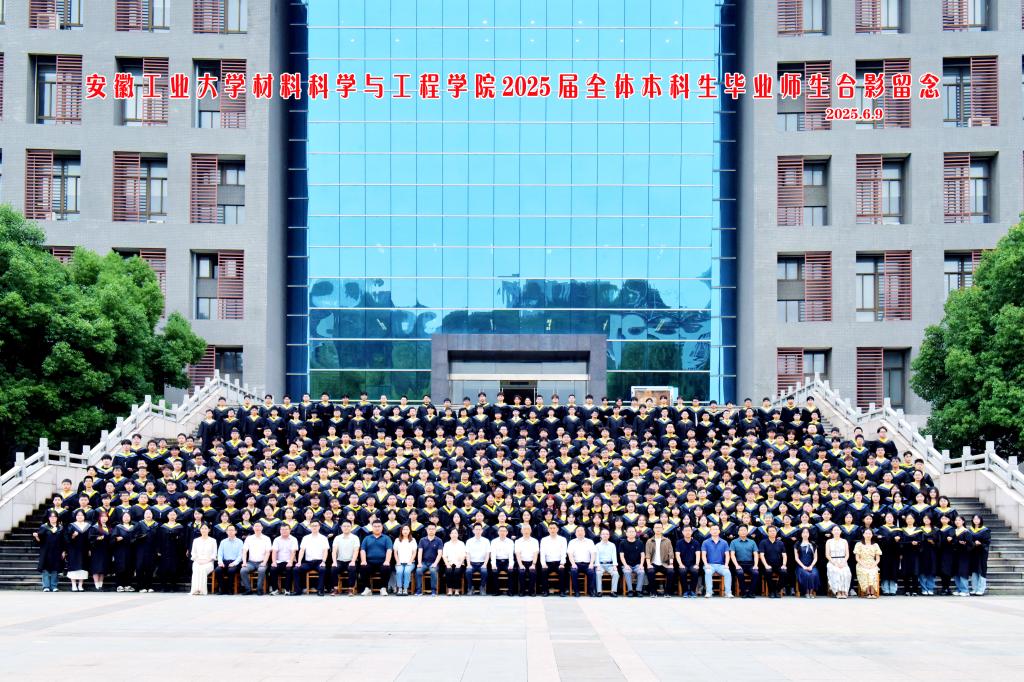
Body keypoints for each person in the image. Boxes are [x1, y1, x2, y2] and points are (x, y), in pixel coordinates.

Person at [293, 519, 329, 596]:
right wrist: (299, 562)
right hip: (308, 562)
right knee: (296, 569)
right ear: (310, 526)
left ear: (319, 527)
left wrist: (323, 561)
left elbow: (325, 551)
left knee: (322, 569)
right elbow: (302, 550)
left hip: (319, 562)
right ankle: (298, 590)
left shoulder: (323, 538)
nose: (314, 527)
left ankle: (320, 590)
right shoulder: (306, 538)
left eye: (316, 525)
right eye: (312, 526)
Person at [359, 520, 394, 595]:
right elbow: (363, 550)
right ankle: (367, 588)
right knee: (363, 567)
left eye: (379, 526)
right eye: (375, 526)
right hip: (369, 562)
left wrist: (387, 561)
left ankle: (383, 588)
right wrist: (363, 560)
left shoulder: (386, 538)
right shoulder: (367, 538)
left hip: (382, 562)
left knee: (386, 567)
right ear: (372, 527)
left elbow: (389, 550)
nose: (377, 528)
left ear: (382, 528)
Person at [34, 512, 64, 592]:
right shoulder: (44, 527)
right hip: (46, 551)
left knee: (55, 568)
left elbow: (63, 541)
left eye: (54, 517)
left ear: (57, 518)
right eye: (51, 517)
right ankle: (46, 586)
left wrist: (64, 551)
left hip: (57, 551)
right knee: (45, 568)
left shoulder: (61, 528)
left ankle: (54, 586)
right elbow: (39, 541)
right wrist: (36, 537)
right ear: (48, 518)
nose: (53, 518)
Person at [240, 522, 272, 595]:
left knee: (261, 570)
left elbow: (268, 552)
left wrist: (264, 562)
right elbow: (244, 551)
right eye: (256, 526)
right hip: (251, 562)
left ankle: (259, 589)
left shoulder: (266, 538)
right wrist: (244, 562)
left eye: (259, 526)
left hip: (262, 562)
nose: (257, 528)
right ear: (253, 528)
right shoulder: (249, 538)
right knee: (243, 570)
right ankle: (248, 589)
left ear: (262, 528)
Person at [700, 524, 732, 598]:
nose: (715, 531)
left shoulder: (724, 542)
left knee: (727, 572)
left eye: (716, 529)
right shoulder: (705, 542)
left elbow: (727, 555)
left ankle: (728, 592)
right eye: (713, 529)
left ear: (719, 531)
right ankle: (709, 592)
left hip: (721, 565)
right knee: (708, 572)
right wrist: (706, 564)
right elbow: (703, 555)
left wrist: (726, 564)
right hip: (709, 565)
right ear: (710, 531)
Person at [728, 525, 760, 599]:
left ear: (747, 532)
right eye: (741, 530)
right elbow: (732, 555)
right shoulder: (733, 542)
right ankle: (743, 592)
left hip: (750, 564)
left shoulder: (752, 542)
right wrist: (736, 565)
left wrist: (756, 565)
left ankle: (751, 592)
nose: (743, 532)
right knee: (740, 573)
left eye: (744, 530)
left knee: (756, 573)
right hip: (739, 563)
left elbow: (756, 554)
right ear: (738, 532)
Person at [645, 522, 675, 597]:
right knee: (650, 571)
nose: (658, 529)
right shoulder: (649, 541)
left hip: (664, 564)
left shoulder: (667, 541)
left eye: (659, 527)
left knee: (671, 571)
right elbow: (647, 554)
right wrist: (648, 564)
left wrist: (671, 564)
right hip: (653, 563)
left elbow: (671, 553)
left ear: (662, 529)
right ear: (653, 529)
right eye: (656, 527)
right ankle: (653, 592)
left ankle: (667, 592)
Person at [331, 521, 361, 595]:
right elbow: (334, 551)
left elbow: (356, 550)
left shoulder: (355, 538)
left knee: (352, 568)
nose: (346, 528)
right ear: (341, 527)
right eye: (344, 526)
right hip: (340, 560)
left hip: (351, 560)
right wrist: (334, 562)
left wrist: (353, 561)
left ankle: (350, 589)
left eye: (348, 526)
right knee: (334, 568)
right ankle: (335, 588)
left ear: (351, 527)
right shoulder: (337, 538)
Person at [65, 510, 92, 592]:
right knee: (73, 567)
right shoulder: (71, 525)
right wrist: (73, 536)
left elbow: (90, 539)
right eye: (78, 515)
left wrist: (90, 549)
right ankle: (73, 585)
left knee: (83, 567)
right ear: (75, 516)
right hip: (73, 549)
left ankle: (80, 585)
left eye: (81, 515)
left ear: (84, 516)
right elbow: (67, 538)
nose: (80, 517)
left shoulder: (88, 526)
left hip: (84, 549)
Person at [758, 525, 788, 598]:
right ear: (767, 533)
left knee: (784, 572)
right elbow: (761, 555)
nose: (772, 532)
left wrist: (784, 564)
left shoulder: (780, 543)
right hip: (767, 565)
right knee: (768, 572)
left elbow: (784, 555)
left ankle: (777, 590)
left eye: (773, 531)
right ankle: (771, 591)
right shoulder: (763, 542)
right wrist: (766, 565)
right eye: (770, 531)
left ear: (776, 532)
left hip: (778, 565)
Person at [540, 523, 569, 596]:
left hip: (559, 562)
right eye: (550, 528)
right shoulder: (544, 540)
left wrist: (562, 563)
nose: (552, 530)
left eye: (554, 528)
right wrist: (543, 564)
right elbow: (542, 553)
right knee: (543, 570)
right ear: (548, 530)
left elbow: (563, 553)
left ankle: (562, 591)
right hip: (548, 563)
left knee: (562, 570)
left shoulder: (562, 539)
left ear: (557, 529)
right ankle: (545, 591)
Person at [416, 523, 445, 595]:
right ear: (427, 530)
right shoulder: (422, 540)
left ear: (435, 530)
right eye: (429, 529)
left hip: (434, 562)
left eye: (433, 529)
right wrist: (419, 563)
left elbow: (440, 554)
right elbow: (420, 552)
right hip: (424, 562)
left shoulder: (439, 540)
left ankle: (433, 590)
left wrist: (435, 563)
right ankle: (419, 590)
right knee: (418, 570)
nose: (431, 530)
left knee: (433, 570)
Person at [567, 526, 596, 597]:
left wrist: (591, 563)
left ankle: (591, 591)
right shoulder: (572, 542)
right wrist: (573, 564)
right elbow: (570, 554)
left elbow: (593, 553)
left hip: (587, 564)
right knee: (573, 571)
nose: (580, 532)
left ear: (584, 532)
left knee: (592, 572)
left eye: (581, 531)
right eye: (578, 531)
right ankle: (576, 591)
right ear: (575, 533)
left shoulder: (590, 541)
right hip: (576, 564)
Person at [269, 524, 298, 594]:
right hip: (279, 561)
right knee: (272, 569)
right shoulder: (276, 539)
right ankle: (275, 589)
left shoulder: (293, 539)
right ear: (280, 531)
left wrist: (290, 562)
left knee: (289, 569)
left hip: (290, 560)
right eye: (282, 529)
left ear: (290, 530)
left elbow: (293, 552)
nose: (284, 531)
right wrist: (274, 562)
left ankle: (287, 589)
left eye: (286, 529)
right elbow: (274, 552)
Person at [618, 526, 646, 597]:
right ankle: (630, 590)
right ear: (626, 533)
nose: (631, 533)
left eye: (633, 531)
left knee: (641, 571)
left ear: (635, 533)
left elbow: (642, 555)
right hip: (627, 564)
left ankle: (638, 590)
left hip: (637, 564)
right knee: (627, 571)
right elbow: (621, 556)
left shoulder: (640, 542)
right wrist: (625, 565)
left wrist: (641, 565)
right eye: (629, 532)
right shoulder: (622, 543)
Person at [216, 524, 245, 594]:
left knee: (231, 571)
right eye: (229, 530)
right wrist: (220, 562)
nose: (230, 531)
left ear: (235, 531)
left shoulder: (240, 542)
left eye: (232, 530)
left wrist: (234, 563)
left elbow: (240, 556)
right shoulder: (223, 542)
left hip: (236, 562)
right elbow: (219, 554)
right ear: (226, 532)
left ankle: (230, 589)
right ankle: (222, 589)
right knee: (218, 570)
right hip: (225, 561)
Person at [853, 528, 882, 599]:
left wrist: (873, 565)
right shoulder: (859, 544)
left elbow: (878, 559)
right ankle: (868, 591)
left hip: (872, 564)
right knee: (866, 572)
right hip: (861, 563)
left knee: (872, 572)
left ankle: (872, 591)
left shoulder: (875, 545)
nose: (868, 535)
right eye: (866, 533)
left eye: (869, 533)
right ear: (863, 534)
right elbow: (857, 558)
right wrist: (864, 565)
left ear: (872, 535)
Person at [825, 525, 852, 599]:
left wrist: (843, 562)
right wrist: (834, 563)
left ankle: (844, 591)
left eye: (838, 530)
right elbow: (827, 555)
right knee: (836, 571)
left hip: (843, 561)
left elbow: (847, 554)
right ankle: (838, 591)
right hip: (832, 562)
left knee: (846, 572)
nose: (836, 531)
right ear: (832, 532)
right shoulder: (829, 541)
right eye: (835, 530)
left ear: (840, 531)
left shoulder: (844, 541)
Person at [189, 524, 217, 595]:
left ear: (209, 530)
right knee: (196, 568)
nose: (204, 530)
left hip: (209, 562)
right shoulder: (196, 540)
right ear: (200, 530)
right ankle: (195, 590)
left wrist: (206, 561)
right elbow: (193, 553)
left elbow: (214, 554)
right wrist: (198, 560)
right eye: (202, 528)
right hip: (197, 561)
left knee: (203, 569)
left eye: (205, 528)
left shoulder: (213, 541)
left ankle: (202, 590)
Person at [111, 512, 136, 592]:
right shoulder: (118, 527)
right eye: (124, 516)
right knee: (120, 567)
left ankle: (128, 585)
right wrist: (116, 539)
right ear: (121, 518)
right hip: (120, 550)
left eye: (128, 516)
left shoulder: (133, 527)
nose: (126, 518)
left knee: (130, 567)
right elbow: (112, 539)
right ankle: (119, 585)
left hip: (131, 550)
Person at [88, 512, 112, 591]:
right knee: (96, 567)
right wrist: (97, 538)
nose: (104, 518)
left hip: (106, 550)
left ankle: (100, 585)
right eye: (102, 516)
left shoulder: (108, 527)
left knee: (103, 568)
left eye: (106, 516)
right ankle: (96, 585)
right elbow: (90, 538)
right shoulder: (94, 527)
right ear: (99, 518)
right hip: (97, 550)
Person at [489, 525, 516, 595]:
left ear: (507, 532)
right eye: (501, 531)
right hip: (497, 561)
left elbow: (511, 555)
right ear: (498, 532)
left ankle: (510, 591)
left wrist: (511, 564)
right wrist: (493, 564)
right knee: (494, 571)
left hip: (507, 561)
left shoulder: (510, 542)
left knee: (511, 571)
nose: (502, 532)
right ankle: (496, 591)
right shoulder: (494, 541)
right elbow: (493, 555)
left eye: (504, 531)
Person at [514, 523, 540, 596]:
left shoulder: (535, 541)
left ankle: (531, 591)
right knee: (521, 572)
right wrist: (520, 565)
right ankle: (522, 591)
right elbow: (517, 554)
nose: (526, 531)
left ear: (531, 531)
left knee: (533, 572)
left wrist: (533, 564)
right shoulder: (518, 541)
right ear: (521, 531)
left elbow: (535, 553)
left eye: (528, 529)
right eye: (524, 529)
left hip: (532, 562)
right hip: (521, 562)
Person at [465, 524, 491, 595]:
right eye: (476, 529)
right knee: (468, 571)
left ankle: (482, 587)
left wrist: (485, 564)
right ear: (473, 531)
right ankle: (470, 587)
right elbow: (467, 554)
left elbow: (487, 554)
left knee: (484, 571)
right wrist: (468, 564)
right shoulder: (469, 541)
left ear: (482, 531)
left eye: (479, 529)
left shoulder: (486, 541)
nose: (478, 531)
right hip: (472, 563)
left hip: (482, 563)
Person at [593, 529, 619, 597]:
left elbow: (614, 556)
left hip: (610, 565)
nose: (605, 535)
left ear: (609, 536)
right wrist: (597, 565)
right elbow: (596, 556)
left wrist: (615, 565)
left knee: (616, 573)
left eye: (607, 534)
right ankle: (599, 591)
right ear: (600, 535)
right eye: (603, 534)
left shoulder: (612, 545)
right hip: (600, 565)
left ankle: (613, 591)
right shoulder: (597, 545)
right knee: (598, 573)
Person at [795, 528, 820, 598]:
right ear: (801, 534)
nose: (805, 534)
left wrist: (811, 566)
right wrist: (803, 566)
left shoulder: (813, 544)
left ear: (809, 534)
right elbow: (796, 558)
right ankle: (806, 592)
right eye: (803, 532)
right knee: (806, 574)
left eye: (807, 532)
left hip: (811, 566)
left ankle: (811, 592)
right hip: (801, 566)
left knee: (814, 574)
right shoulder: (797, 544)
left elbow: (815, 558)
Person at [969, 514, 990, 596]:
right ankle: (974, 588)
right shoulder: (970, 530)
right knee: (974, 570)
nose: (976, 520)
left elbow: (987, 542)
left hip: (982, 552)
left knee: (981, 569)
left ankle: (981, 589)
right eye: (974, 519)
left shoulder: (985, 530)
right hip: (973, 552)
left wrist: (981, 543)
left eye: (978, 519)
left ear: (981, 520)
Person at [393, 525, 418, 595]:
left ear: (409, 531)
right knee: (399, 571)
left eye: (407, 529)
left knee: (407, 571)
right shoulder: (397, 540)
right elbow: (395, 552)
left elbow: (414, 552)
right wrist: (397, 561)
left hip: (410, 562)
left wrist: (410, 561)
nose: (405, 531)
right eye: (404, 529)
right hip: (399, 562)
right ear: (401, 531)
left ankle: (405, 589)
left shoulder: (413, 540)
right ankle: (400, 588)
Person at [442, 527, 467, 595]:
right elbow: (444, 556)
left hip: (460, 564)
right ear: (450, 535)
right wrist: (447, 564)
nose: (454, 535)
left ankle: (457, 590)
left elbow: (464, 555)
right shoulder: (446, 544)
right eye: (452, 533)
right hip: (449, 563)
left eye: (455, 533)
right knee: (448, 571)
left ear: (458, 534)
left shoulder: (461, 543)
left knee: (457, 571)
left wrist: (459, 564)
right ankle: (450, 590)